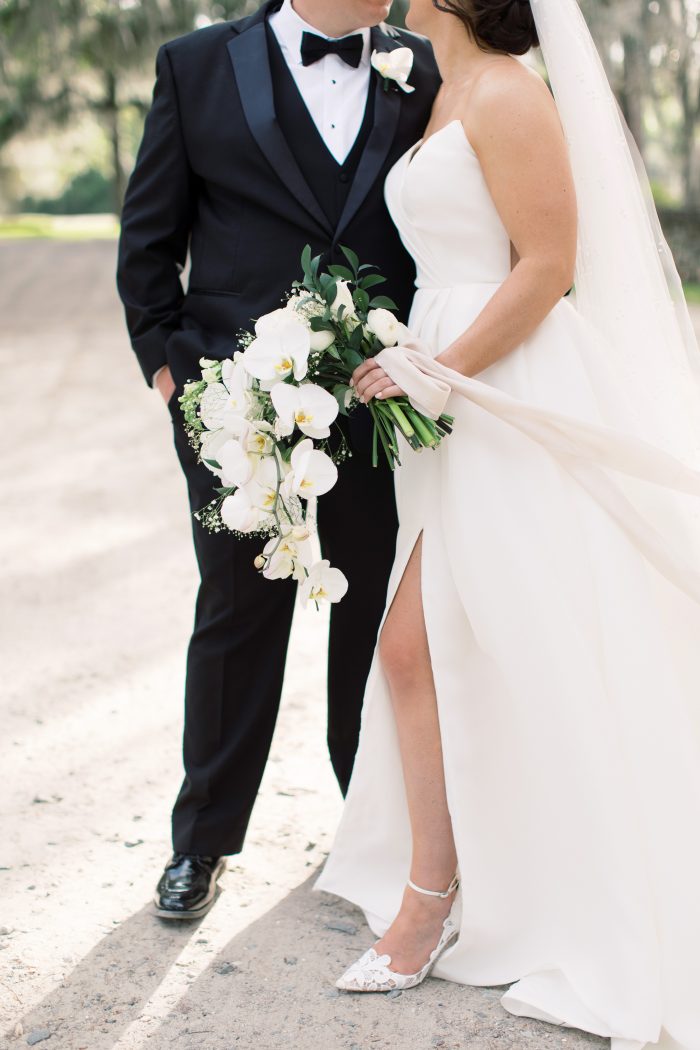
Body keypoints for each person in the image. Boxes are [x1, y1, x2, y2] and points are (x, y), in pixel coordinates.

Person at [315, 0, 700, 1046]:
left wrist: (438, 370)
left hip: (508, 391)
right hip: (446, 398)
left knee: (480, 643)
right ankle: (448, 883)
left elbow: (546, 264)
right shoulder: (437, 89)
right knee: (432, 645)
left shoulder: (507, 93)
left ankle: (454, 898)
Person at [116, 0, 440, 919]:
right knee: (235, 613)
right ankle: (202, 843)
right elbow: (149, 241)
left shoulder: (424, 65)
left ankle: (370, 824)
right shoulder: (196, 64)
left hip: (384, 402)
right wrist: (171, 375)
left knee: (374, 617)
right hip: (236, 404)